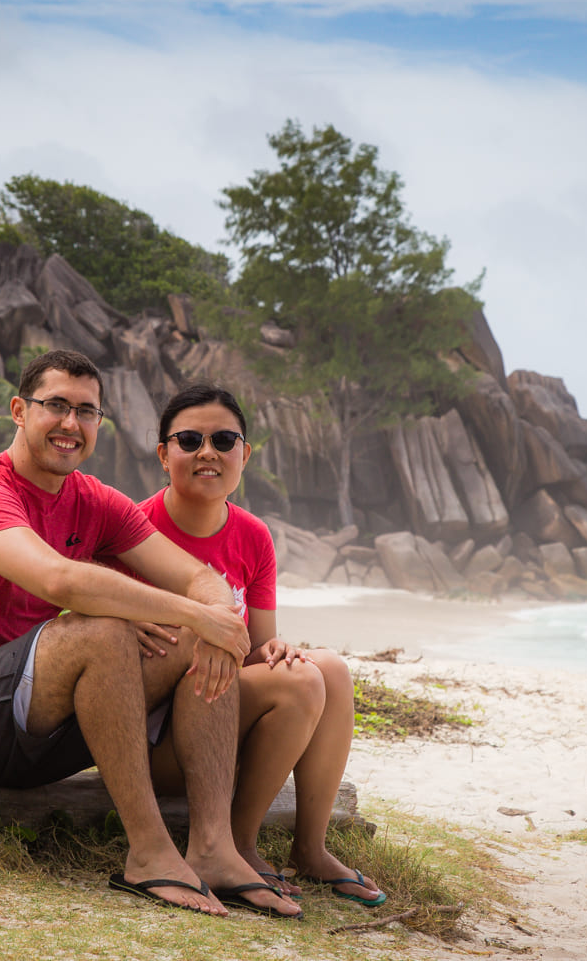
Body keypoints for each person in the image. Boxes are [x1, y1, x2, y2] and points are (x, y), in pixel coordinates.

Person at [0, 350, 301, 919]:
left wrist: (210, 617)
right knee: (105, 629)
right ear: (19, 410)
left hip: (40, 727)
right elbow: (58, 579)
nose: (70, 424)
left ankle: (212, 845)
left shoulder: (94, 501)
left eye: (86, 411)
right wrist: (198, 614)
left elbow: (196, 575)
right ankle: (148, 851)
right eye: (56, 405)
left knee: (188, 639)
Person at [130, 382, 386, 906]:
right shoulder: (134, 529)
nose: (208, 452)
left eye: (225, 440)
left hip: (223, 726)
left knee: (328, 669)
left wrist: (276, 652)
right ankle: (237, 845)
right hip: (156, 741)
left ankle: (310, 848)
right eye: (189, 440)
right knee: (300, 683)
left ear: (244, 454)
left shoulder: (253, 536)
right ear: (163, 454)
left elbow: (257, 649)